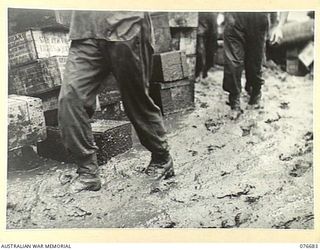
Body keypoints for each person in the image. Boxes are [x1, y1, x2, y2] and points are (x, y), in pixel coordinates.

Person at [58, 11, 174, 192]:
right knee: (70, 100)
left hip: (127, 26)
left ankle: (162, 157)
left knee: (136, 101)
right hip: (85, 30)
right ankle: (88, 172)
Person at [222, 12, 288, 112]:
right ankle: (234, 100)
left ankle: (255, 91)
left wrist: (278, 26)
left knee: (254, 62)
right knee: (233, 62)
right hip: (234, 15)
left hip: (258, 17)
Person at [195, 12, 218, 80]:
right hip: (201, 19)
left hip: (212, 16)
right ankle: (200, 72)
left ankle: (204, 71)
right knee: (200, 49)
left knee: (211, 49)